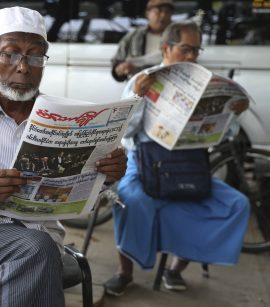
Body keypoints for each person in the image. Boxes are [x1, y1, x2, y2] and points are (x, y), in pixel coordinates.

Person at [0, 6, 128, 306]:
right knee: (38, 252)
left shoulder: (67, 118)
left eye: (35, 56)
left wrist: (108, 177)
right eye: (10, 54)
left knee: (38, 251)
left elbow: (84, 203)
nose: (23, 67)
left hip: (44, 235)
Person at [104, 21, 250, 296]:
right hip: (145, 161)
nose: (192, 56)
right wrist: (137, 96)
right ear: (166, 48)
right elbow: (125, 131)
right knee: (129, 200)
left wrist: (234, 113)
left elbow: (221, 135)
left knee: (235, 204)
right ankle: (125, 272)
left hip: (189, 165)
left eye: (196, 50)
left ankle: (175, 268)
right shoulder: (143, 79)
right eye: (186, 49)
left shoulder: (204, 81)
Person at [110, 0, 174, 82]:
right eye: (158, 11)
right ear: (147, 13)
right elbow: (117, 62)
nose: (163, 15)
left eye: (167, 12)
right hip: (139, 88)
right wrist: (121, 69)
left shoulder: (177, 37)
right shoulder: (134, 36)